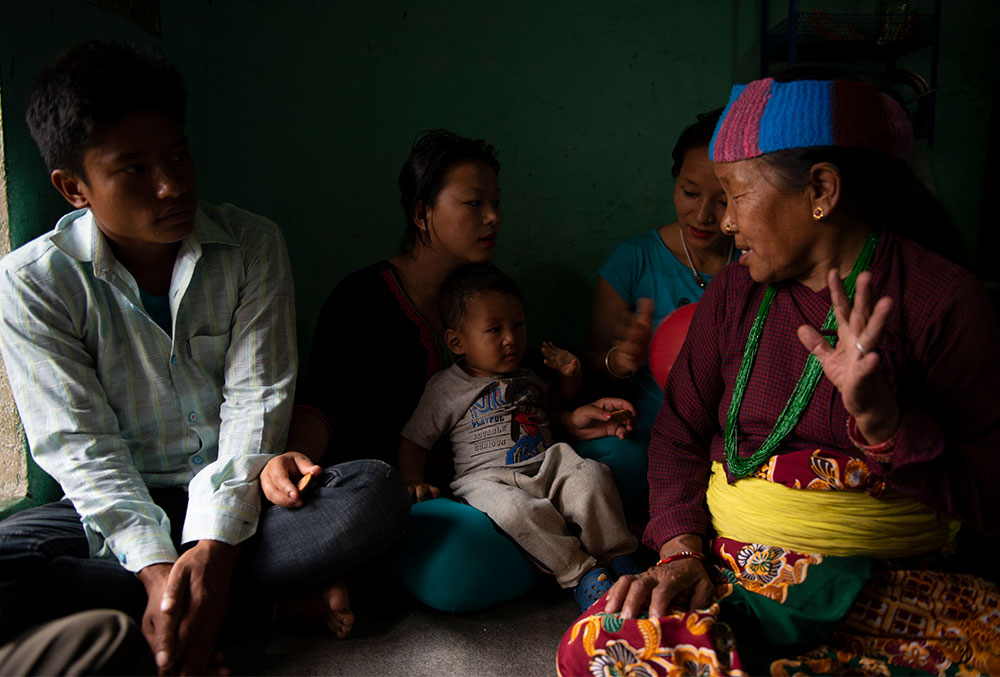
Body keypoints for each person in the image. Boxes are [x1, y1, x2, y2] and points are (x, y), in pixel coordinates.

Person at [557, 74, 1000, 676]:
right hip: (737, 582)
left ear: (820, 189)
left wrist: (888, 426)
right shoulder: (732, 295)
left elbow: (989, 493)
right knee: (600, 648)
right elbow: (680, 432)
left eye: (735, 196)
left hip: (892, 589)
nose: (727, 222)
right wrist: (682, 549)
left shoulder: (944, 302)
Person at [0, 40, 408, 676]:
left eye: (179, 156)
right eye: (133, 169)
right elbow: (80, 448)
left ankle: (181, 614)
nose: (171, 186)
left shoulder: (251, 245)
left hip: (238, 498)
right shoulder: (33, 282)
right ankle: (240, 607)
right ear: (73, 187)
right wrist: (159, 571)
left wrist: (212, 549)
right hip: (113, 518)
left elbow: (258, 403)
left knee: (375, 493)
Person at [398, 263, 640, 611]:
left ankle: (618, 556)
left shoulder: (527, 376)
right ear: (457, 341)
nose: (510, 338)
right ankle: (580, 573)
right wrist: (412, 480)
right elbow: (413, 438)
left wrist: (570, 376)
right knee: (514, 511)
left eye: (518, 325)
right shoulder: (445, 388)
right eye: (494, 329)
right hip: (487, 479)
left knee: (592, 476)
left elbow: (557, 408)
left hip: (549, 463)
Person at [578, 109, 732, 513]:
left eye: (724, 199)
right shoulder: (633, 259)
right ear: (675, 182)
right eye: (690, 192)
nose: (704, 215)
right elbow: (588, 364)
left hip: (732, 437)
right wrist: (619, 361)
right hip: (650, 434)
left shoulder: (757, 265)